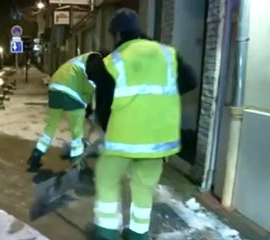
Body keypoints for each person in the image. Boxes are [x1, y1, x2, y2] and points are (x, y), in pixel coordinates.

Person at [86, 8, 197, 240]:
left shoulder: (114, 61)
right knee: (144, 184)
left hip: (124, 136)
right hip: (158, 136)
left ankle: (107, 231)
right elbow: (190, 80)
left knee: (107, 175)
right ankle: (137, 233)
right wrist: (159, 102)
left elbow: (104, 104)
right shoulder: (167, 54)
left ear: (117, 34)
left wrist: (107, 126)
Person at [27, 52, 104, 172]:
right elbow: (88, 91)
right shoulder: (94, 68)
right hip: (70, 93)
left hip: (54, 89)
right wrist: (88, 109)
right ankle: (77, 162)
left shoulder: (77, 61)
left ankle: (36, 155)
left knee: (50, 126)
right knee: (77, 131)